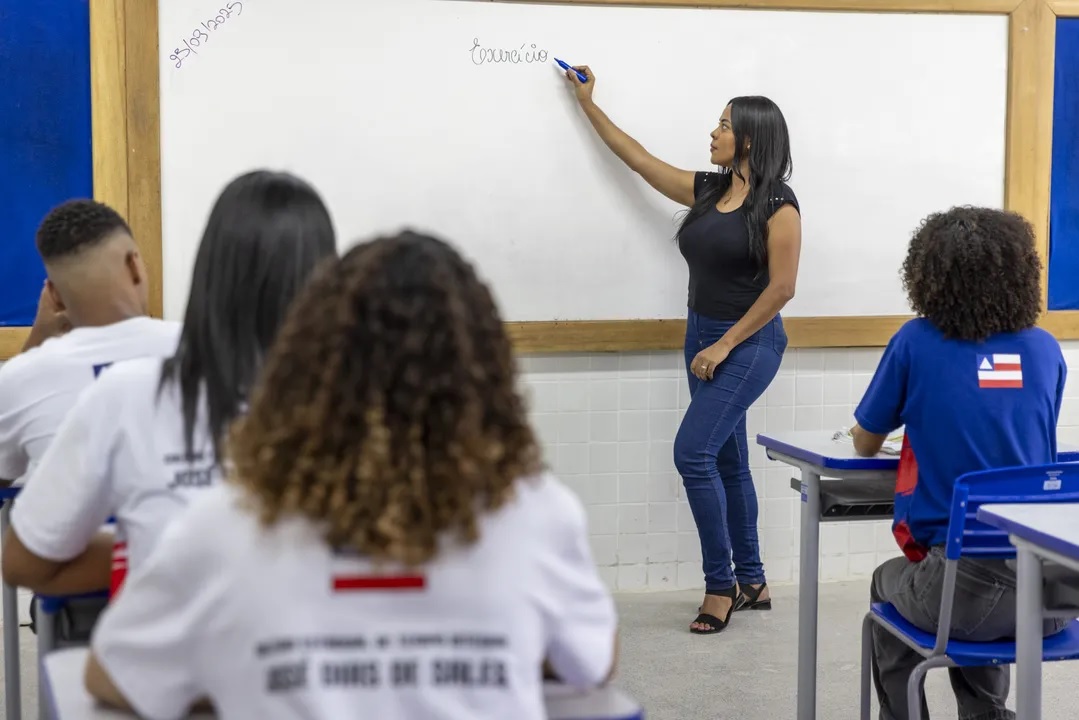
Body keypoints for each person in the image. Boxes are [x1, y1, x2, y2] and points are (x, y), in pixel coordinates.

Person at [83, 231, 619, 719]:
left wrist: (235, 675)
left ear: (306, 362)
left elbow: (113, 676)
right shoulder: (537, 514)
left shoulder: (225, 523)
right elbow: (592, 661)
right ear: (486, 372)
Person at [1, 171, 338, 597]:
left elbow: (23, 560)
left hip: (118, 603)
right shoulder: (354, 405)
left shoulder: (120, 392)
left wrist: (150, 549)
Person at [565, 65, 801, 633]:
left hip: (749, 342)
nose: (713, 134)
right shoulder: (709, 190)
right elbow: (638, 159)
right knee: (727, 460)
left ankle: (721, 587)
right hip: (702, 335)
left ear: (750, 138)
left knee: (693, 454)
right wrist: (588, 104)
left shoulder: (779, 204)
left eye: (724, 126)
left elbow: (782, 289)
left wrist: (724, 344)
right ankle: (753, 580)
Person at [851, 207, 1070, 720]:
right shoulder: (1045, 349)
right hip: (1053, 598)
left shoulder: (915, 342)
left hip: (964, 597)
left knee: (896, 583)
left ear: (929, 275)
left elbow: (864, 443)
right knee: (977, 569)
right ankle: (987, 713)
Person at [0, 200, 179, 486]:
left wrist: (38, 340)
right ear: (134, 265)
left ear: (54, 295)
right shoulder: (209, 349)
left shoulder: (21, 377)